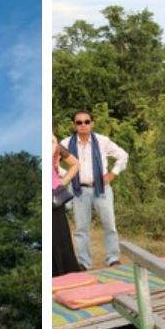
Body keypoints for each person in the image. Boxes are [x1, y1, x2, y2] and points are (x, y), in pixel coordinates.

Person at [62, 111, 129, 267]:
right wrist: (67, 175)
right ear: (74, 125)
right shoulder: (66, 143)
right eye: (79, 122)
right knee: (81, 228)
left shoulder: (102, 141)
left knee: (109, 224)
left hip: (101, 188)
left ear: (92, 123)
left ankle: (113, 258)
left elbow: (123, 155)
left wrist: (113, 174)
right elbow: (53, 161)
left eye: (86, 121)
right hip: (79, 189)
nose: (83, 125)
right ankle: (84, 262)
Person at [52, 140, 85, 275]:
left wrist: (62, 182)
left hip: (53, 196)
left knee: (59, 236)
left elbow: (75, 164)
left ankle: (63, 273)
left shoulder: (55, 145)